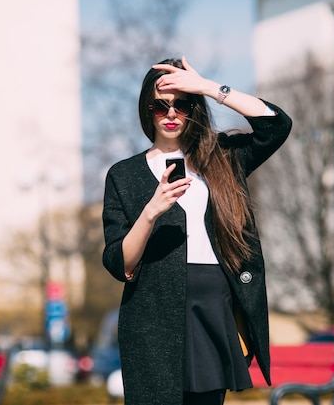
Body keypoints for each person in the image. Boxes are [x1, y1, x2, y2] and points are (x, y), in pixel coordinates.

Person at [101, 56, 292, 405]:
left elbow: (276, 125)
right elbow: (119, 263)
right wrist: (150, 211)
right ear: (147, 111)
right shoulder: (123, 175)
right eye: (160, 106)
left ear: (194, 108)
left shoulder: (223, 158)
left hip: (212, 307)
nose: (171, 114)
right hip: (152, 314)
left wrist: (206, 87)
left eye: (182, 104)